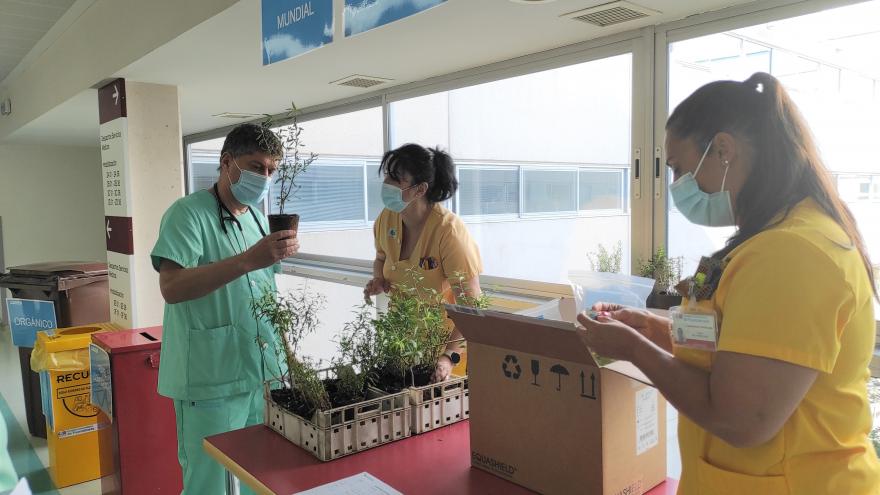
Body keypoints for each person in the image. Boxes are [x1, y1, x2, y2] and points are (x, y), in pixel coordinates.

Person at [577, 72, 880, 494]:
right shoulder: (766, 241)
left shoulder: (793, 254)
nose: (679, 187)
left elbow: (740, 419)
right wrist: (656, 331)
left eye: (679, 169)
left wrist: (631, 349)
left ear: (723, 150)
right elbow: (741, 349)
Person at [151, 123, 298, 494]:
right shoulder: (187, 214)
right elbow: (171, 287)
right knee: (209, 483)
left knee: (259, 477)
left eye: (271, 170)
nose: (264, 177)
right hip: (210, 377)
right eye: (255, 166)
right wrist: (247, 260)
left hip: (261, 373)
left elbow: (266, 294)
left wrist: (287, 359)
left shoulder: (254, 219)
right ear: (227, 162)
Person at [364, 144, 483, 383]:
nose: (386, 182)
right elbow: (381, 258)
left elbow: (472, 307)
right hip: (402, 346)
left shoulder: (449, 232)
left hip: (444, 353)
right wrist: (379, 278)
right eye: (387, 174)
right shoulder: (386, 220)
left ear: (420, 189)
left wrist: (448, 357)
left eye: (396, 178)